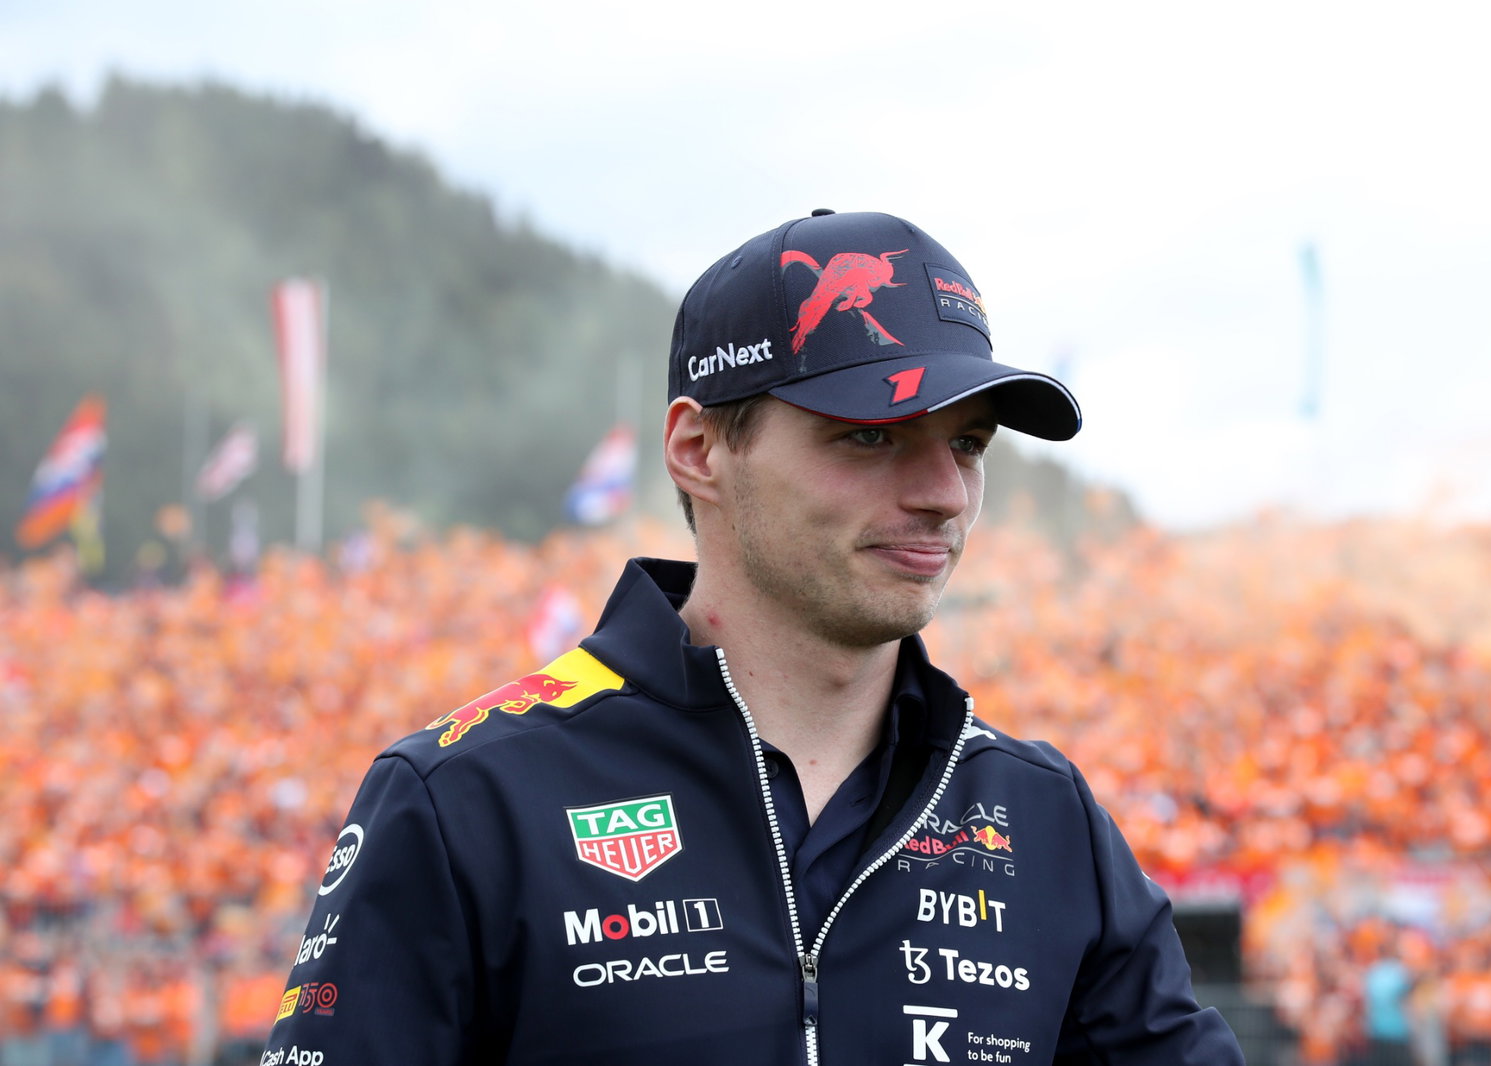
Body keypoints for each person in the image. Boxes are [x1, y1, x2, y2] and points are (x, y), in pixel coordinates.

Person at [264, 209, 1244, 1064]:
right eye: (870, 435)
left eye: (968, 443)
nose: (942, 492)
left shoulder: (1044, 819)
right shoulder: (466, 798)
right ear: (698, 450)